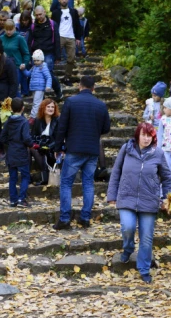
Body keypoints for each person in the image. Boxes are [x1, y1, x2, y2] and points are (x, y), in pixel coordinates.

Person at [107, 123, 171, 284]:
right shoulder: (126, 149)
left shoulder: (157, 153)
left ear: (153, 137)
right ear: (137, 135)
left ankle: (144, 269)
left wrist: (168, 199)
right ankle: (128, 248)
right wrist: (112, 195)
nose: (146, 139)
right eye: (143, 135)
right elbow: (116, 172)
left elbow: (167, 178)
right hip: (127, 197)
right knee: (128, 227)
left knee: (146, 237)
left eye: (149, 136)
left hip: (149, 200)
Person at [53, 76, 110, 230]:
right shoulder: (101, 105)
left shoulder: (71, 102)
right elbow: (106, 128)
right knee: (88, 184)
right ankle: (85, 217)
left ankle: (65, 219)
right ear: (93, 88)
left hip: (74, 149)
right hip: (92, 150)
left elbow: (62, 127)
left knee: (66, 183)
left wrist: (58, 148)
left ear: (79, 86)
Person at [0, 98, 33, 208]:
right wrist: (32, 144)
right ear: (23, 108)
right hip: (21, 153)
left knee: (13, 178)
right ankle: (21, 199)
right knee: (25, 176)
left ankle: (13, 200)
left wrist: (10, 143)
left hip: (11, 153)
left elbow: (2, 137)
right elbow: (26, 138)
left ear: (11, 109)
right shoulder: (24, 122)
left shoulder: (8, 121)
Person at [27, 6, 63, 101]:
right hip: (35, 54)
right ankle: (41, 97)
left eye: (40, 14)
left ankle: (58, 90)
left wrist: (58, 56)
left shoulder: (52, 24)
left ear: (44, 12)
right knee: (37, 74)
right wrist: (28, 55)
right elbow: (29, 41)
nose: (39, 16)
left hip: (48, 53)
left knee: (48, 74)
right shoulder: (33, 26)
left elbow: (57, 40)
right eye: (37, 15)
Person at [51, 0, 81, 86]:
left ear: (68, 0)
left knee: (71, 58)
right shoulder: (55, 12)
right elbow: (52, 26)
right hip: (59, 37)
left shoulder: (73, 12)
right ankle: (50, 77)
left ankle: (67, 77)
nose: (64, 0)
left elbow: (77, 25)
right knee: (54, 57)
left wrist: (78, 37)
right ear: (59, 0)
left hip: (71, 37)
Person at [30, 99, 60, 186]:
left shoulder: (58, 119)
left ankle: (46, 176)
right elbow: (33, 136)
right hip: (41, 146)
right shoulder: (38, 120)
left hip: (53, 147)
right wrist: (39, 145)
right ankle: (27, 176)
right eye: (48, 107)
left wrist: (48, 146)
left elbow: (59, 138)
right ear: (43, 108)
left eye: (52, 107)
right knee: (30, 148)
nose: (51, 109)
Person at [0, 19, 30, 97]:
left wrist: (24, 63)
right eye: (7, 29)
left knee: (14, 89)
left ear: (14, 28)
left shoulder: (19, 38)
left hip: (16, 67)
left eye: (11, 29)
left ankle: (18, 106)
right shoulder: (1, 38)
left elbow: (26, 53)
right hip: (4, 67)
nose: (9, 32)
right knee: (6, 89)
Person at [21, 49, 52, 125]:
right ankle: (40, 116)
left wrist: (48, 86)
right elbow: (28, 74)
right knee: (38, 102)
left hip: (40, 88)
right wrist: (23, 69)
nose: (35, 62)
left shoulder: (43, 67)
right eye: (34, 60)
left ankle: (33, 117)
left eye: (37, 60)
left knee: (36, 103)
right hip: (34, 87)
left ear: (41, 60)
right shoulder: (34, 67)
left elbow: (48, 77)